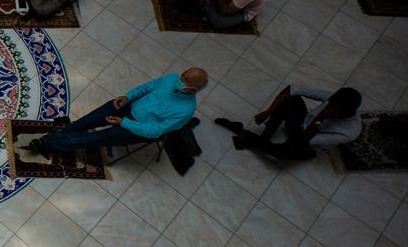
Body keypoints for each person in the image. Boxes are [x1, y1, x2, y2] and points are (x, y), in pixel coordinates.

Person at [29, 68, 208, 156]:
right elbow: (145, 88)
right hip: (128, 106)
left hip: (136, 128)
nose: (180, 79)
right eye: (183, 74)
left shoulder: (185, 111)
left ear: (194, 88)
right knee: (89, 120)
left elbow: (156, 131)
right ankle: (56, 138)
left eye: (186, 79)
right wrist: (127, 97)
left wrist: (124, 123)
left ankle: (47, 144)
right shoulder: (171, 79)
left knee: (95, 138)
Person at [215, 85, 361, 161]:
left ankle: (243, 134)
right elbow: (293, 89)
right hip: (302, 123)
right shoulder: (332, 99)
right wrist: (268, 112)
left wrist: (320, 117)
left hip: (307, 143)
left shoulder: (349, 132)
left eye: (331, 106)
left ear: (339, 112)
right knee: (292, 99)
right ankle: (262, 137)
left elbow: (305, 139)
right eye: (329, 101)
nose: (327, 103)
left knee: (279, 152)